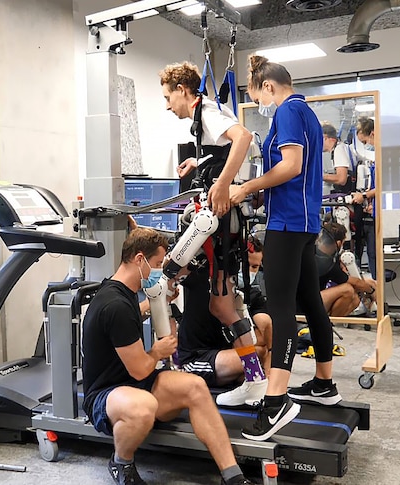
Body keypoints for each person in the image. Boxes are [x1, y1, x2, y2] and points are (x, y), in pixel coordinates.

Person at [228, 55, 343, 442]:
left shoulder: (288, 112)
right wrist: (266, 193)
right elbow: (298, 171)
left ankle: (276, 400)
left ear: (269, 87)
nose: (260, 102)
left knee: (280, 309)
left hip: (289, 223)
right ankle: (324, 383)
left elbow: (291, 166)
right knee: (310, 299)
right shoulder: (307, 113)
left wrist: (246, 187)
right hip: (304, 221)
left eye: (257, 95)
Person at [81, 227, 253, 485]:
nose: (161, 270)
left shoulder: (122, 292)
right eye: (158, 264)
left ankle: (233, 476)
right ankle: (121, 463)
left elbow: (129, 320)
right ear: (139, 259)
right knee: (143, 408)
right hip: (107, 394)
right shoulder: (114, 305)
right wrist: (158, 351)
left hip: (134, 382)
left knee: (195, 386)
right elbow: (140, 369)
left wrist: (151, 306)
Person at [159, 61, 269, 404]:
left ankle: (254, 380)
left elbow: (243, 137)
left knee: (170, 275)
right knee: (223, 305)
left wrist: (221, 185)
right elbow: (224, 151)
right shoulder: (201, 117)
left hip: (217, 221)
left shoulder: (204, 110)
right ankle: (255, 378)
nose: (167, 105)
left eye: (168, 97)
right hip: (225, 225)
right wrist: (201, 162)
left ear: (182, 90)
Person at [178, 234, 273, 407]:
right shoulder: (201, 275)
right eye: (249, 265)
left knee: (258, 353)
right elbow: (170, 270)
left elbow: (263, 334)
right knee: (254, 357)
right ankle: (255, 378)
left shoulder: (247, 291)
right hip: (196, 358)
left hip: (221, 354)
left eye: (256, 267)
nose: (252, 271)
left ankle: (256, 380)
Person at [316, 222, 377, 317]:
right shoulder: (328, 263)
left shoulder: (319, 254)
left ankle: (330, 322)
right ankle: (329, 323)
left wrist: (366, 284)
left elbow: (349, 280)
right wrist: (372, 291)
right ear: (339, 243)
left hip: (315, 298)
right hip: (305, 304)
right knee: (347, 290)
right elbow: (354, 282)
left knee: (355, 299)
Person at [352, 116, 378, 280]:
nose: (367, 145)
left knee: (374, 254)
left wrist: (364, 196)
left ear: (373, 133)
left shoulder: (382, 155)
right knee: (371, 254)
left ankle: (377, 290)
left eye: (366, 140)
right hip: (373, 211)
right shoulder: (376, 159)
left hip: (378, 215)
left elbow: (382, 187)